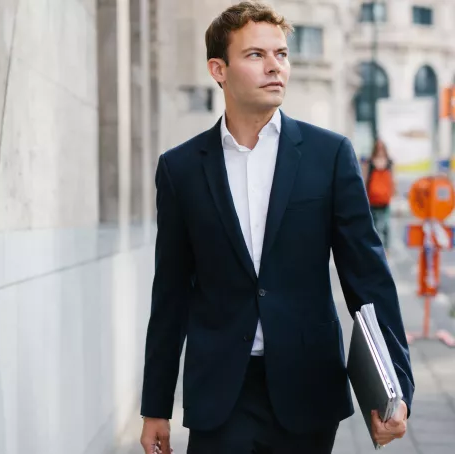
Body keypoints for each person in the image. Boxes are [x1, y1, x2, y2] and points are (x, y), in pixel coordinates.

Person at [139, 2, 414, 453]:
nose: (275, 67)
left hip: (307, 387)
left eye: (281, 54)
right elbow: (170, 291)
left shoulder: (330, 155)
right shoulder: (181, 169)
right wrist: (156, 406)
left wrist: (395, 386)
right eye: (255, 55)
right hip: (220, 393)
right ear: (218, 69)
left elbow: (368, 278)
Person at [363, 139, 395, 252]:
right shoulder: (370, 162)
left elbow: (392, 179)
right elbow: (366, 179)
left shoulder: (389, 162)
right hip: (372, 198)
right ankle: (375, 246)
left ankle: (386, 247)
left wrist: (393, 193)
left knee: (386, 224)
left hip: (385, 198)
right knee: (374, 224)